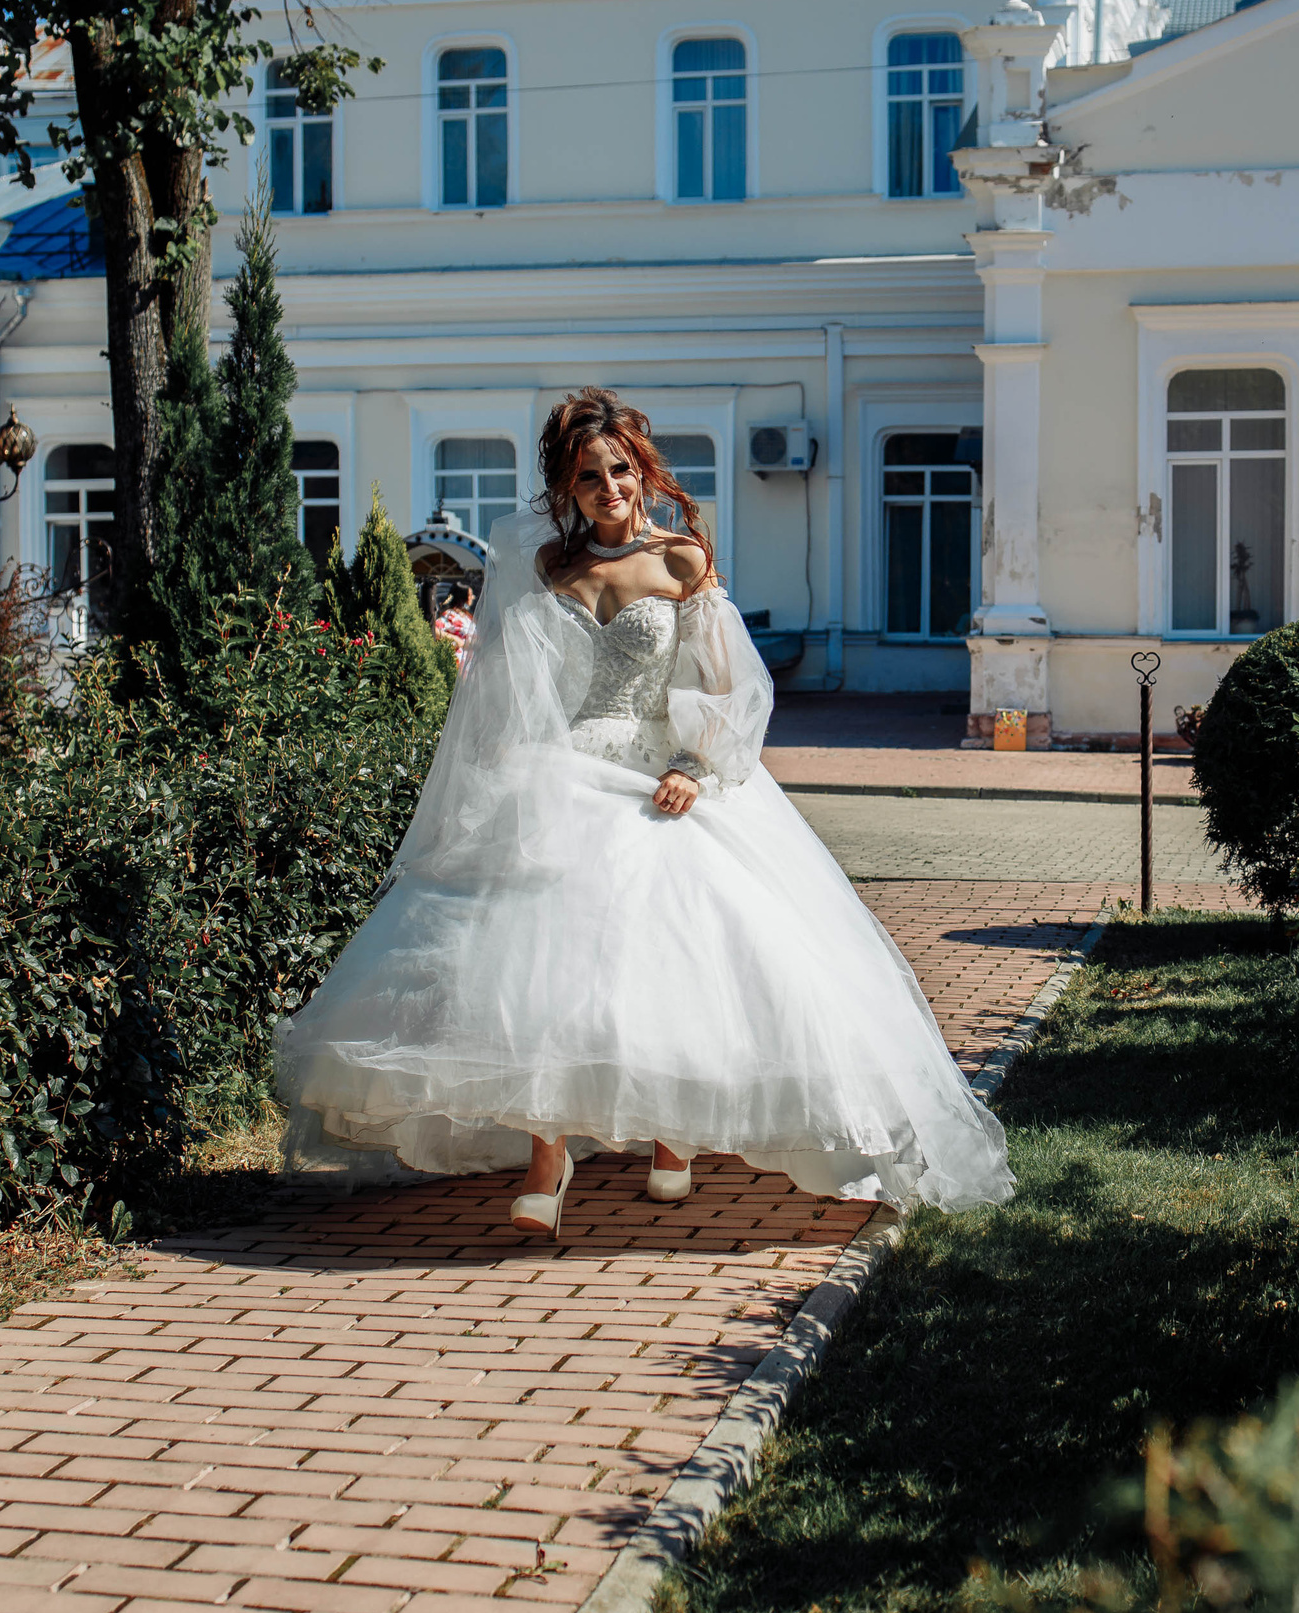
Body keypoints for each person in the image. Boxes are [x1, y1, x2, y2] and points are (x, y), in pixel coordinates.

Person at [274, 388, 1013, 1233]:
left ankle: (673, 1137)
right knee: (542, 967)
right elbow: (514, 695)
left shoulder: (683, 562)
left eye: (620, 469)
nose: (608, 487)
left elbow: (733, 685)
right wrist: (512, 765)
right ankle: (547, 1162)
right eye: (589, 476)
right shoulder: (547, 568)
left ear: (644, 473)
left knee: (670, 956)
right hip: (562, 774)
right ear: (568, 486)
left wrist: (697, 764)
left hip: (663, 773)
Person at [431, 581, 477, 675]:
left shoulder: (466, 616)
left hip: (472, 664)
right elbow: (433, 630)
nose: (473, 597)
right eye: (470, 595)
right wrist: (456, 639)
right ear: (464, 597)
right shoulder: (450, 615)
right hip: (460, 664)